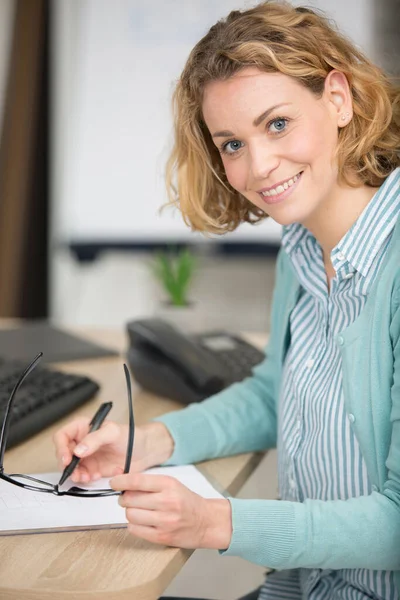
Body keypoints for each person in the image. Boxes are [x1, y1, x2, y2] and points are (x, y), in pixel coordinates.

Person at [53, 1, 400, 598]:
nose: (260, 165)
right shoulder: (301, 244)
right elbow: (274, 393)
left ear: (338, 99)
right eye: (232, 144)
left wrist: (216, 522)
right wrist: (144, 442)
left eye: (278, 124)